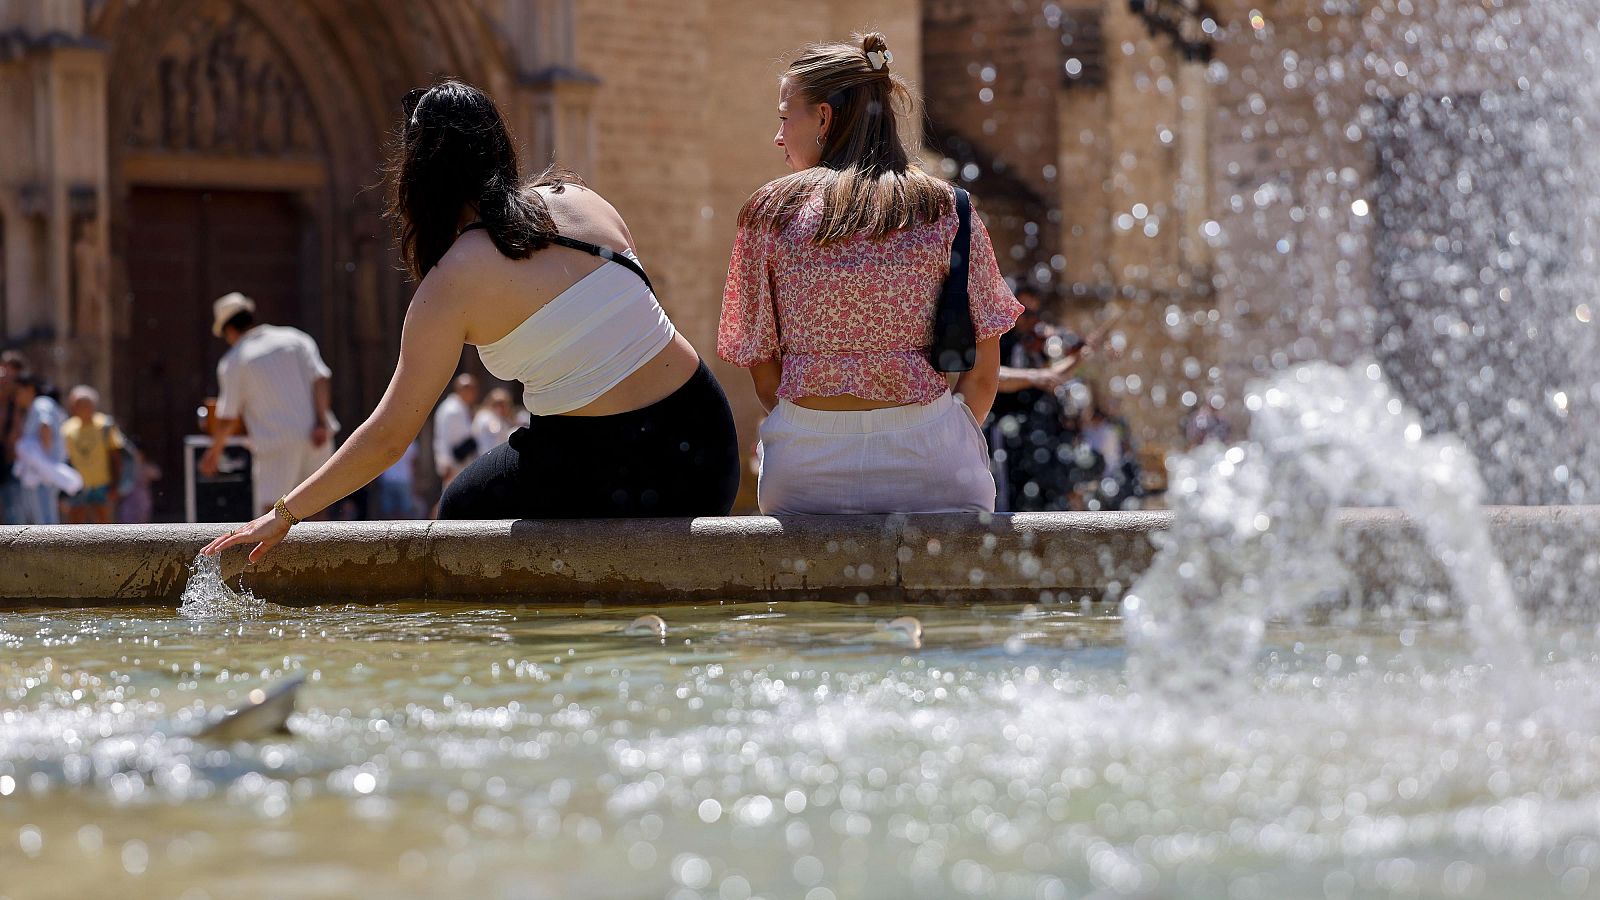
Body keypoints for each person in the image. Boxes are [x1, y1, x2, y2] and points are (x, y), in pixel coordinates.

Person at [204, 79, 740, 562]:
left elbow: (391, 436)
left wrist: (285, 514)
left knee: (463, 510)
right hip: (704, 449)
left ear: (419, 179)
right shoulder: (582, 200)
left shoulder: (449, 286)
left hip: (615, 471)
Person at [718, 33, 1023, 515]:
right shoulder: (948, 209)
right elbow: (983, 374)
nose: (778, 135)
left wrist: (813, 430)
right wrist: (941, 433)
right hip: (932, 456)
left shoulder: (770, 212)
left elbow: (762, 372)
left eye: (784, 117)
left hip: (806, 463)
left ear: (823, 116)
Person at [199, 292, 339, 517]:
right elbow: (320, 379)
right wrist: (321, 422)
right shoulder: (295, 338)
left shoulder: (235, 361)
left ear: (229, 331)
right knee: (317, 513)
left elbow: (228, 418)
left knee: (273, 518)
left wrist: (213, 453)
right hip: (317, 437)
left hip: (276, 445)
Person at [12, 373, 73, 524]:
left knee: (45, 522)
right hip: (43, 473)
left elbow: (45, 427)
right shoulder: (40, 405)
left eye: (18, 392)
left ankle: (50, 549)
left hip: (42, 475)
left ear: (30, 389)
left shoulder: (41, 404)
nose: (16, 397)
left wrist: (42, 463)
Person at [60, 385, 126, 524]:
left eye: (81, 404)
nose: (76, 408)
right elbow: (64, 460)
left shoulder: (105, 425)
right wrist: (62, 493)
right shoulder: (67, 428)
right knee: (74, 527)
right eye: (75, 404)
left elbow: (115, 457)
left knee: (103, 525)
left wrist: (115, 486)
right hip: (77, 486)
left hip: (101, 484)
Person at [432, 373, 479, 486]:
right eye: (467, 389)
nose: (471, 392)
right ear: (459, 389)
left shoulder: (463, 407)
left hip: (464, 461)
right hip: (454, 464)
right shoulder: (450, 409)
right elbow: (442, 437)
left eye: (473, 389)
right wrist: (445, 464)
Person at [472, 387, 523, 454]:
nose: (501, 407)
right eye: (497, 403)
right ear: (490, 403)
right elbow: (495, 431)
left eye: (504, 404)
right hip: (486, 457)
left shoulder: (504, 420)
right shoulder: (485, 417)